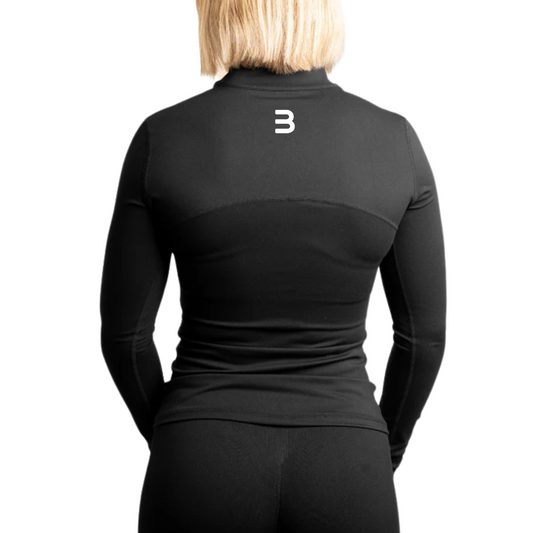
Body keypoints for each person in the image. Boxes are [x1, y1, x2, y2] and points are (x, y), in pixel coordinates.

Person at [99, 0, 447, 531]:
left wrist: (178, 431)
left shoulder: (164, 137)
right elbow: (424, 340)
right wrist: (380, 447)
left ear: (218, 13)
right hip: (348, 462)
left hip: (200, 456)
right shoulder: (392, 140)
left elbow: (124, 337)